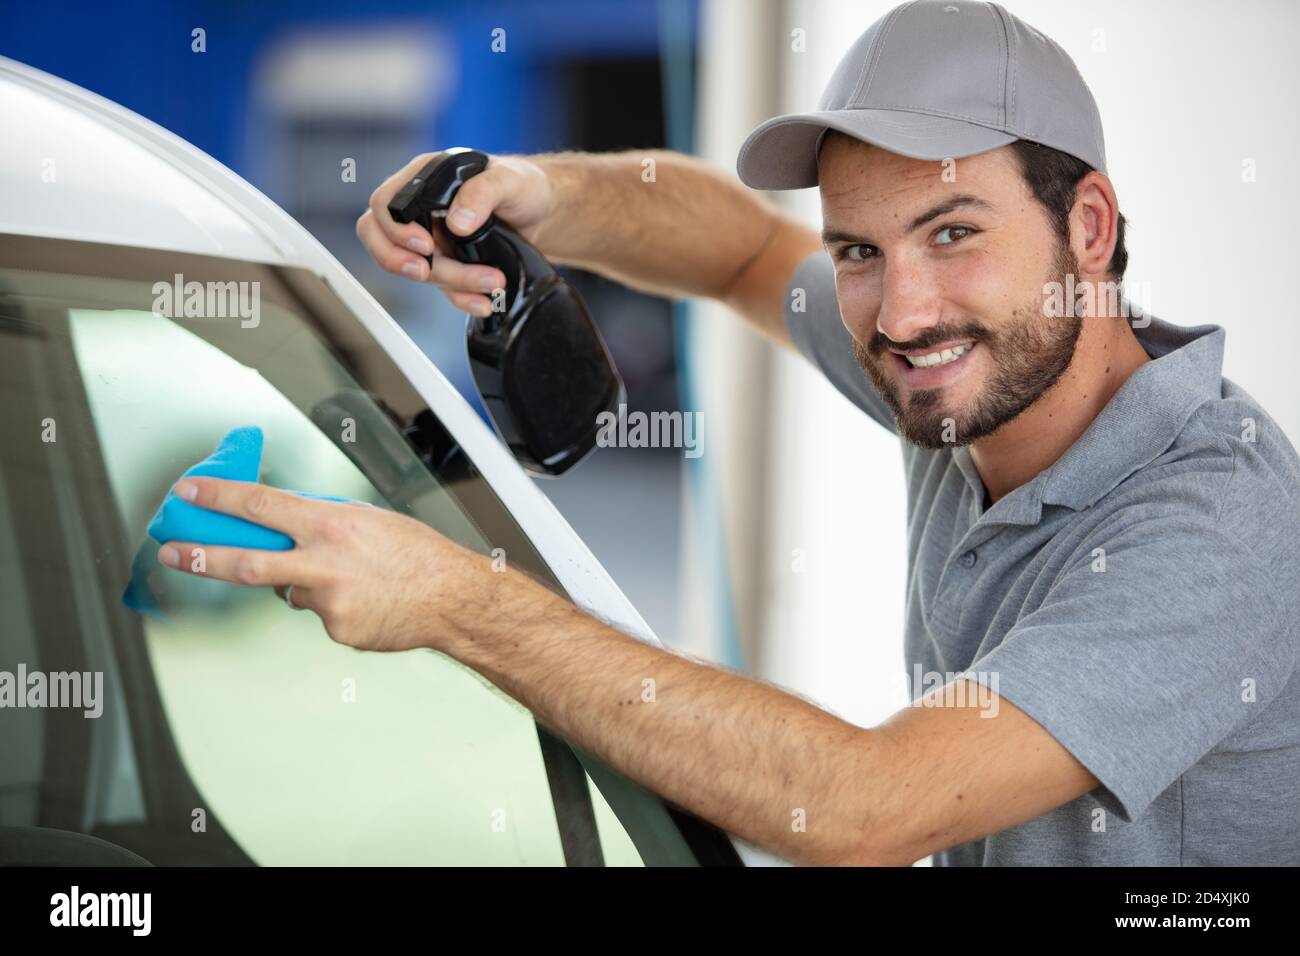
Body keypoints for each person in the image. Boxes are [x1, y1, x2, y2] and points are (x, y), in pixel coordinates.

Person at [158, 0, 1300, 865]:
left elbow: (868, 805)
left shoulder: (1214, 518)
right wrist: (538, 193)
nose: (898, 312)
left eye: (952, 231)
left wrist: (463, 600)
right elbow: (742, 248)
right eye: (858, 250)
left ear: (1086, 226)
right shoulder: (973, 364)